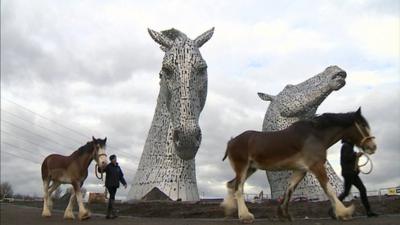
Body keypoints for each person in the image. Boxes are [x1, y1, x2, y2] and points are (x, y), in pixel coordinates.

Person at [337, 139, 378, 217]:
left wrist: (356, 160)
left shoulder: (349, 147)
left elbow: (350, 160)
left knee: (361, 190)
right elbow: (346, 158)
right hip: (349, 173)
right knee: (347, 192)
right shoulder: (346, 146)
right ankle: (333, 209)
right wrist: (356, 155)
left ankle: (369, 212)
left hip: (352, 173)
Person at [101, 154, 127, 219]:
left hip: (115, 185)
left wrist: (124, 183)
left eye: (115, 158)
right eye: (114, 159)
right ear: (111, 160)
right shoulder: (108, 166)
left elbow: (121, 177)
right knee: (112, 197)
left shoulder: (118, 167)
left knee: (111, 198)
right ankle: (114, 213)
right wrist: (101, 166)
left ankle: (108, 214)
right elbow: (101, 170)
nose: (115, 159)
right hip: (109, 185)